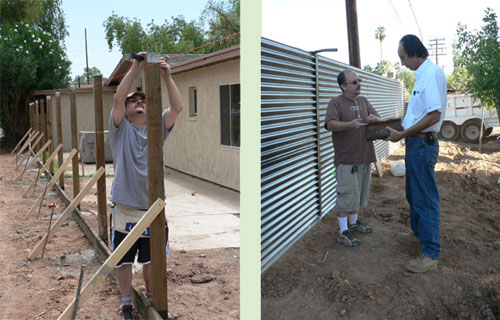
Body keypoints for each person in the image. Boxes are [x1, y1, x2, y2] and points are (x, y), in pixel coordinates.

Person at [108, 52, 183, 319]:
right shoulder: (120, 129)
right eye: (134, 101)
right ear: (126, 109)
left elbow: (176, 108)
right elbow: (118, 97)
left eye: (143, 100)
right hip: (126, 207)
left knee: (152, 260)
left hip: (152, 208)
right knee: (124, 260)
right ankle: (127, 302)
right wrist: (136, 66)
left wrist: (167, 75)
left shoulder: (156, 127)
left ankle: (152, 300)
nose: (139, 102)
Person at [386, 34, 447, 273]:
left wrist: (402, 134)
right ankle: (418, 235)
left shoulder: (431, 74)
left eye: (403, 57)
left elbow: (433, 116)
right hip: (416, 144)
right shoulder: (421, 76)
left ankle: (431, 253)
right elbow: (415, 115)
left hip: (422, 144)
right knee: (414, 194)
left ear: (414, 53)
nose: (401, 63)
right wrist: (388, 126)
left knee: (425, 198)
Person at [324, 69, 380, 247]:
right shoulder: (336, 103)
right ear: (343, 86)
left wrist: (373, 118)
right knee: (346, 196)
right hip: (346, 160)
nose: (358, 84)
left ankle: (354, 224)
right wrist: (350, 125)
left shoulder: (363, 101)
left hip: (364, 156)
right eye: (354, 82)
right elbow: (330, 124)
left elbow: (377, 117)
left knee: (358, 194)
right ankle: (343, 231)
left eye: (359, 80)